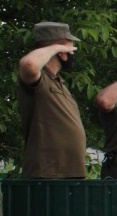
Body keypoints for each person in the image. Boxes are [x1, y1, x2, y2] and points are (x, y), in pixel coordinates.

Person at [17, 22, 86, 179]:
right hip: (47, 173)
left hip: (69, 172)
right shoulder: (40, 79)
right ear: (61, 50)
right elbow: (28, 64)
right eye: (70, 45)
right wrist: (56, 47)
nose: (73, 50)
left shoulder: (57, 80)